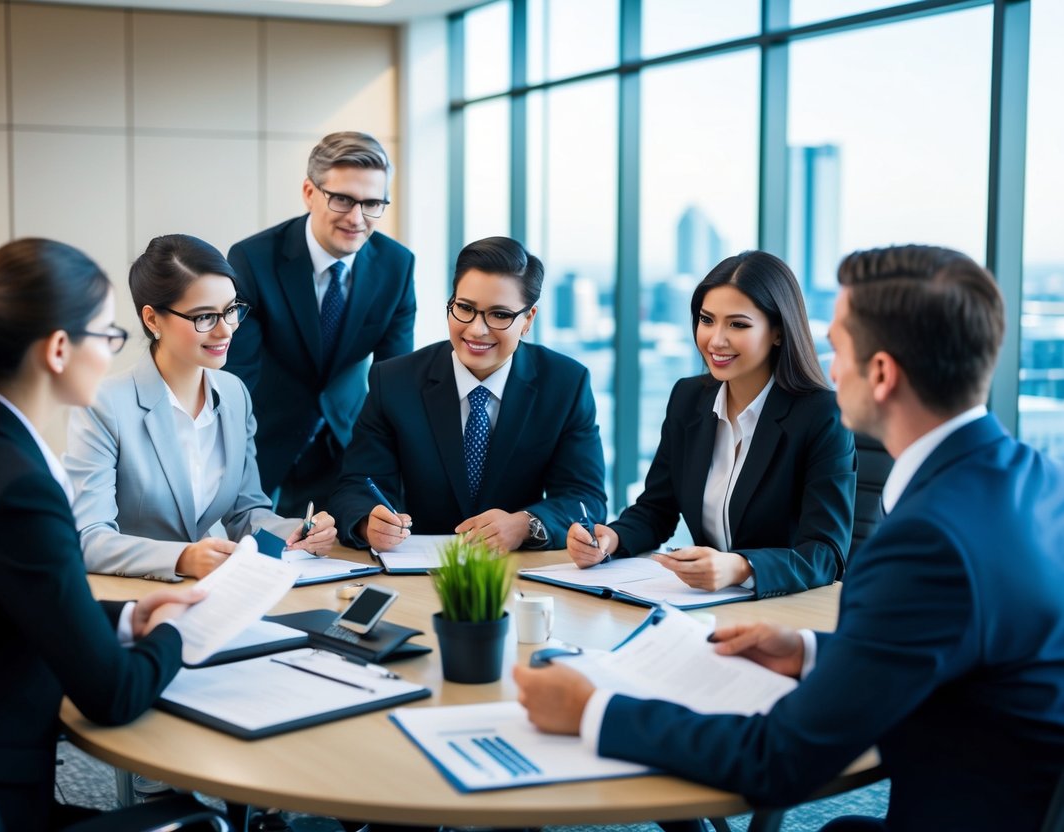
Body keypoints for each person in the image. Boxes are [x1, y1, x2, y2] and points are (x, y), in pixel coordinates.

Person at [517, 244, 1064, 832]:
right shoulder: (1033, 477)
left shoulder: (926, 542)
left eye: (840, 348)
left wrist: (592, 711)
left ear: (880, 373)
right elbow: (954, 645)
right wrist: (807, 650)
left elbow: (778, 759)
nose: (830, 368)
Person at [0, 239, 205, 831]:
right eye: (108, 335)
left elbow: (14, 603)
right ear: (60, 348)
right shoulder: (19, 489)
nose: (112, 353)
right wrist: (171, 634)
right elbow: (112, 698)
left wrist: (128, 616)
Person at [567, 251, 856, 597]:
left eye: (737, 324)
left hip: (785, 609)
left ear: (778, 332)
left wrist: (739, 567)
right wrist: (610, 538)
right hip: (707, 606)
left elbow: (825, 553)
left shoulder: (821, 414)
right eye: (707, 320)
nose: (716, 340)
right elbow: (656, 508)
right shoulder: (689, 398)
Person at [64, 235, 337, 581]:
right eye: (205, 317)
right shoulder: (105, 404)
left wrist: (300, 530)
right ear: (152, 320)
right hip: (131, 599)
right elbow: (89, 539)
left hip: (212, 593)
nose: (226, 330)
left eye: (232, 310)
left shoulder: (234, 394)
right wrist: (182, 558)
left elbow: (245, 512)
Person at [330, 236, 607, 553]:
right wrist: (369, 521)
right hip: (416, 570)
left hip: (521, 571)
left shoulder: (565, 384)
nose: (476, 330)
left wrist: (524, 524)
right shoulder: (394, 380)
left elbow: (585, 497)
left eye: (500, 315)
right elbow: (356, 485)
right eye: (465, 308)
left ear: (528, 320)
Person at [227, 131, 416, 518]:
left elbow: (395, 380)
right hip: (265, 442)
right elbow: (237, 377)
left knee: (348, 564)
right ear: (309, 192)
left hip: (348, 445)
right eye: (343, 199)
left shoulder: (397, 266)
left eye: (372, 203)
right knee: (267, 563)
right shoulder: (253, 259)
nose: (357, 218)